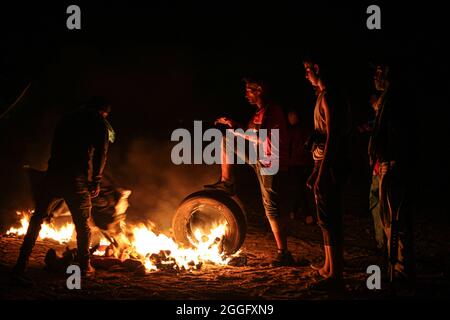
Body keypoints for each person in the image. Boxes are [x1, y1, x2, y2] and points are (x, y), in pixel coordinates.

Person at [12, 96, 113, 283]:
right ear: (102, 112)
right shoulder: (98, 122)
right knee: (82, 225)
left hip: (54, 174)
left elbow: (56, 146)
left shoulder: (67, 118)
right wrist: (96, 179)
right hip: (76, 178)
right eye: (106, 114)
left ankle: (21, 263)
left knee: (37, 218)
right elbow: (101, 152)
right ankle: (84, 266)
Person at [205, 76, 296, 267]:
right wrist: (234, 126)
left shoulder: (272, 110)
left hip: (273, 163)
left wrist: (237, 131)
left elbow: (261, 137)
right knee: (228, 139)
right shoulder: (260, 112)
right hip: (261, 158)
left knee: (271, 207)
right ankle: (227, 182)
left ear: (260, 89)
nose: (245, 94)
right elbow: (250, 135)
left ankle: (283, 253)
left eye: (249, 89)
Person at [368, 63, 415, 289]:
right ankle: (395, 266)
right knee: (389, 218)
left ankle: (401, 269)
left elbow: (394, 132)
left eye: (378, 72)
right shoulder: (388, 98)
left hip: (393, 163)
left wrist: (389, 157)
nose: (375, 77)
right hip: (387, 162)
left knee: (395, 217)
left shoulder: (393, 98)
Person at [303, 57, 348, 290]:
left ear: (318, 68)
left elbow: (333, 135)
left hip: (330, 165)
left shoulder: (330, 96)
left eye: (307, 70)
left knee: (331, 218)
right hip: (322, 164)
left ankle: (336, 277)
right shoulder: (321, 96)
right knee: (324, 218)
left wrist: (323, 170)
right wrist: (314, 171)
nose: (306, 75)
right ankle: (329, 267)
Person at [286, 109, 315, 223]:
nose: (290, 119)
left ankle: (307, 214)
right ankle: (294, 211)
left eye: (291, 116)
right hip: (304, 162)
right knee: (301, 188)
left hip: (299, 163)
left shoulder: (295, 130)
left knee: (301, 188)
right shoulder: (304, 129)